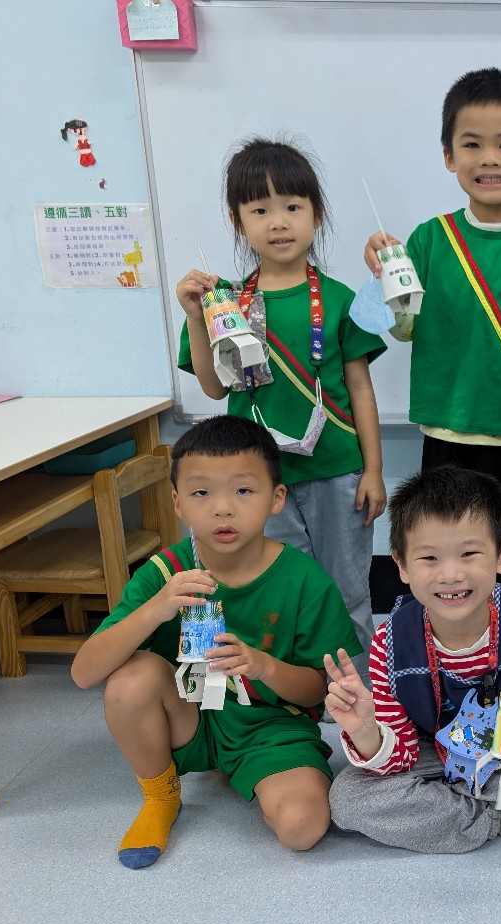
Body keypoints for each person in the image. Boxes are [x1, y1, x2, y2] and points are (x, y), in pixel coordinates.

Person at [71, 416, 361, 868]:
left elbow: (315, 694)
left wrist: (264, 666)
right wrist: (157, 609)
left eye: (244, 490)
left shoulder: (305, 580)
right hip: (188, 716)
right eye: (201, 493)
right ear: (177, 502)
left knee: (302, 827)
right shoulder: (165, 572)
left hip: (271, 728)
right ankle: (161, 796)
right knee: (130, 678)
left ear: (276, 498)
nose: (223, 509)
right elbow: (84, 673)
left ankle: (246, 767)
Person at [361, 67, 501, 594]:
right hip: (447, 435)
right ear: (449, 156)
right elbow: (401, 330)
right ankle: (454, 642)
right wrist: (383, 276)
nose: (489, 158)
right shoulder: (429, 239)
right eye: (471, 144)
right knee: (449, 561)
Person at [176, 137, 386, 654]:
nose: (278, 222)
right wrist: (195, 317)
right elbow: (213, 386)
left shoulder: (339, 300)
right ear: (237, 221)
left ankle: (356, 690)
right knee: (273, 589)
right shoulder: (224, 303)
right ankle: (284, 686)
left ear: (316, 215)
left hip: (338, 472)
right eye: (260, 210)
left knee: (347, 591)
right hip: (254, 479)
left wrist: (374, 470)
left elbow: (360, 388)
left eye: (293, 207)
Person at [325, 465, 501, 853]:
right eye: (429, 558)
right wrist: (367, 732)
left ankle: (449, 809)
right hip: (429, 749)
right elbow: (400, 756)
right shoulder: (390, 640)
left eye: (469, 553)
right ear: (401, 565)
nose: (451, 574)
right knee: (347, 797)